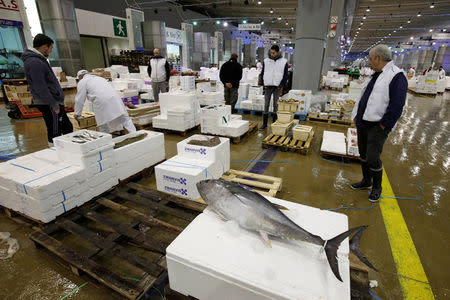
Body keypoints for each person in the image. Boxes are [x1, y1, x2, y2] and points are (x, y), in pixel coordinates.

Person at [351, 45, 407, 202]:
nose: (369, 61)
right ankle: (366, 181)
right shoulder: (375, 75)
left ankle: (377, 187)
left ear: (378, 58)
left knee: (372, 157)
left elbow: (397, 105)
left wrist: (384, 125)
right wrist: (357, 116)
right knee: (362, 154)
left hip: (378, 125)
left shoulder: (397, 76)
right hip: (363, 122)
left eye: (370, 58)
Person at [21, 34, 73, 146]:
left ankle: (69, 149)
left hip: (53, 101)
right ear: (45, 47)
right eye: (51, 48)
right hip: (49, 103)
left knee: (67, 127)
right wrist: (54, 104)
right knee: (55, 131)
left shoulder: (39, 60)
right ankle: (54, 153)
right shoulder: (35, 62)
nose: (50, 51)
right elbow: (40, 87)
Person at [259, 45, 288, 130]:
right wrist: (263, 83)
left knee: (276, 105)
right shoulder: (266, 61)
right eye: (271, 52)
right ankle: (264, 124)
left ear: (278, 52)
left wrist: (281, 85)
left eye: (273, 53)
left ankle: (274, 124)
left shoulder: (284, 62)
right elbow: (263, 72)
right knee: (266, 105)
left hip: (277, 87)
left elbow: (286, 75)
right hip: (268, 86)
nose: (271, 54)